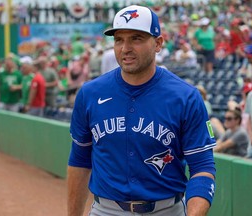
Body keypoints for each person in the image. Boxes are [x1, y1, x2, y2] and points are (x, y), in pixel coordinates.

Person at [67, 5, 216, 216]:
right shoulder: (90, 93)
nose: (125, 48)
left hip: (166, 210)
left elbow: (202, 167)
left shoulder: (186, 97)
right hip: (106, 210)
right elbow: (79, 160)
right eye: (119, 39)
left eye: (136, 38)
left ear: (158, 43)